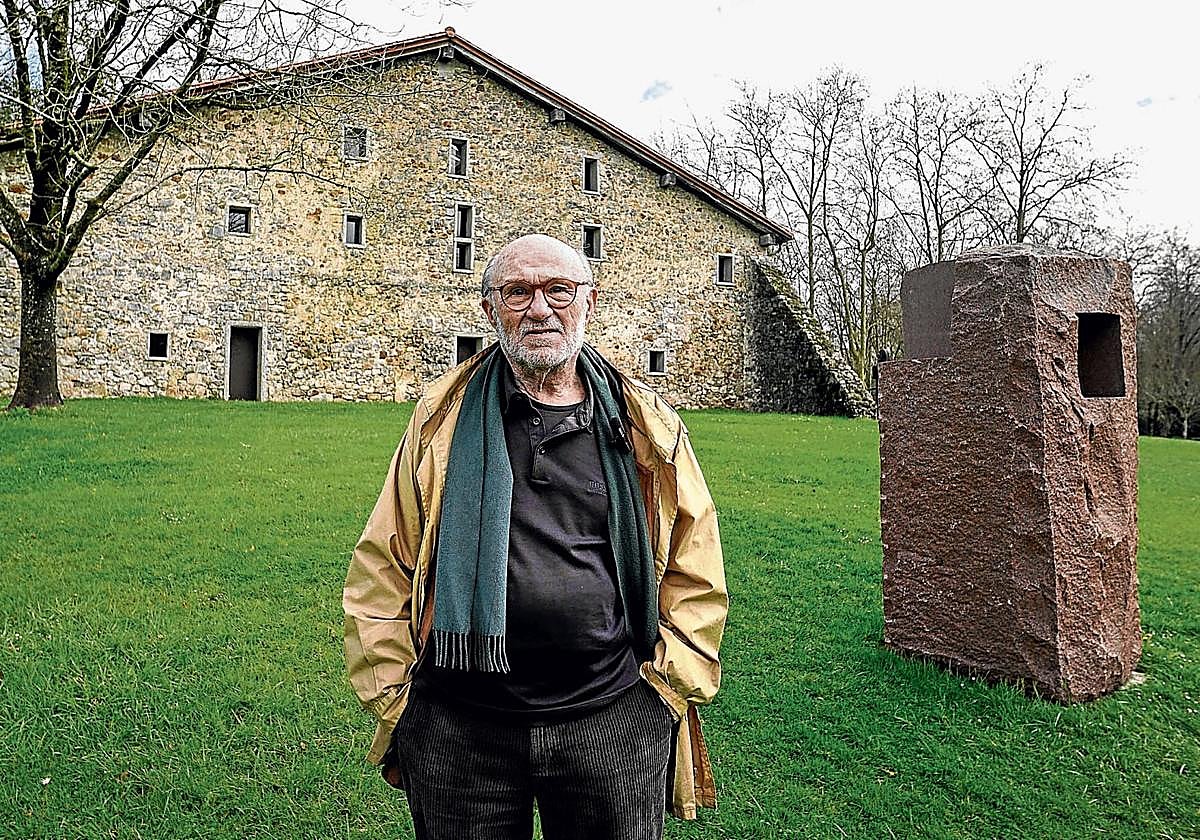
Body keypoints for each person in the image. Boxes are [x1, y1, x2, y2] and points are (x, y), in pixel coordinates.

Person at [342, 233, 727, 840]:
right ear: (490, 308)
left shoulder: (642, 423)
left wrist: (663, 696)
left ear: (589, 303)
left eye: (558, 290)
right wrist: (400, 702)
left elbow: (694, 567)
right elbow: (383, 563)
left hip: (613, 718)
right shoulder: (444, 418)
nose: (539, 308)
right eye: (517, 292)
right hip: (460, 725)